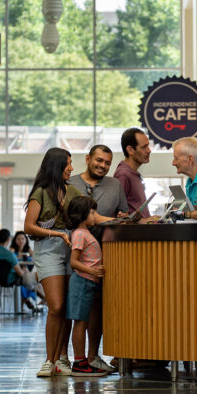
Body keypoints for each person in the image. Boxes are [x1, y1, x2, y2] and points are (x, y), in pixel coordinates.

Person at [24, 148, 82, 378]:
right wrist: (57, 235)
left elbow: (88, 215)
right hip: (49, 248)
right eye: (68, 164)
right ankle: (48, 360)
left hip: (71, 248)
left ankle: (61, 357)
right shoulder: (40, 193)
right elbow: (29, 226)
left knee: (66, 308)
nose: (71, 168)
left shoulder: (73, 191)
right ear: (57, 167)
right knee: (56, 306)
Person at [68, 144, 125, 374]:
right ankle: (75, 360)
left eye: (107, 163)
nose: (102, 166)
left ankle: (91, 357)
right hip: (82, 269)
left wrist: (123, 217)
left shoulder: (115, 186)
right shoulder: (70, 183)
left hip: (98, 264)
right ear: (88, 158)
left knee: (96, 313)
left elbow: (121, 215)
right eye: (99, 160)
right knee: (76, 317)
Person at [65, 195, 108, 377]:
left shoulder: (85, 232)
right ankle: (80, 362)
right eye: (92, 212)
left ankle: (82, 361)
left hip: (88, 283)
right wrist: (92, 271)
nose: (95, 216)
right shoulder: (80, 234)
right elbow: (74, 262)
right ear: (82, 214)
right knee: (80, 323)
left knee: (84, 321)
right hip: (82, 282)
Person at [0, 228, 38, 312]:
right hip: (11, 279)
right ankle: (44, 300)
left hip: (0, 280)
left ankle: (30, 301)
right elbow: (20, 274)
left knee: (30, 282)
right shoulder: (10, 254)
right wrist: (24, 272)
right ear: (9, 239)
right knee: (38, 278)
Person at [114, 128, 152, 216]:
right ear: (130, 150)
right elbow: (120, 217)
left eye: (148, 145)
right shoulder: (123, 175)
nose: (149, 150)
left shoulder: (133, 174)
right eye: (144, 147)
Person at [10, 231, 46, 304]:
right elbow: (11, 259)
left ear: (26, 240)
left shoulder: (28, 249)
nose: (21, 241)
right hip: (17, 274)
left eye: (23, 239)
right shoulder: (12, 249)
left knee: (34, 282)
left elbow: (36, 258)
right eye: (18, 239)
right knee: (27, 284)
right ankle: (42, 300)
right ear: (15, 240)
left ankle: (31, 302)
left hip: (26, 273)